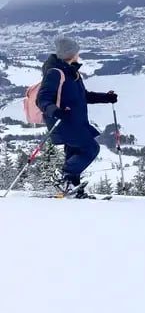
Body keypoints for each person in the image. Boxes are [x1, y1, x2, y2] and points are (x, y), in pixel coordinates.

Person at [37, 36, 118, 198]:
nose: (78, 54)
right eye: (76, 51)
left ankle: (72, 190)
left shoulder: (72, 73)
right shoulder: (55, 73)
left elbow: (84, 96)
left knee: (75, 153)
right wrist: (56, 111)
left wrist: (105, 98)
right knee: (90, 148)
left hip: (76, 122)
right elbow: (42, 99)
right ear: (69, 53)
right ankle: (64, 177)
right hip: (64, 122)